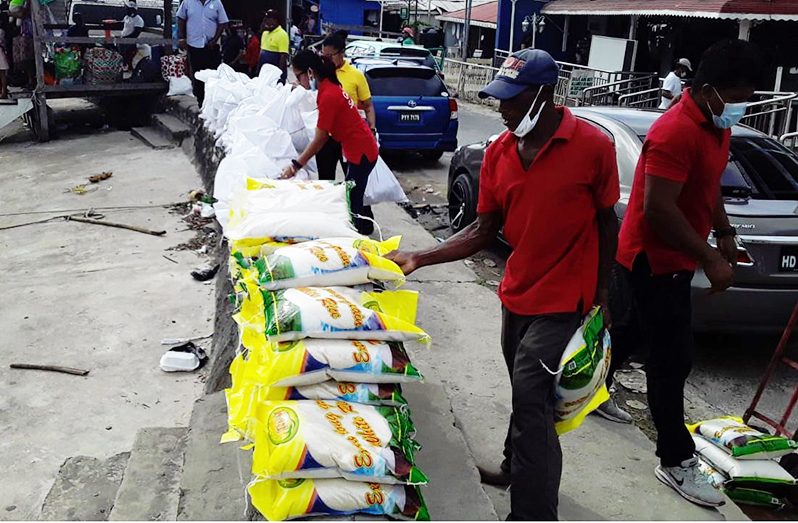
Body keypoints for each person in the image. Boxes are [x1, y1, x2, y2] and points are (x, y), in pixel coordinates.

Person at [386, 49, 620, 520]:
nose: (504, 109)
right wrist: (421, 256)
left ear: (544, 95)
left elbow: (606, 222)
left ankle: (533, 512)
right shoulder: (498, 152)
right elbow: (481, 230)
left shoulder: (593, 146)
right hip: (517, 293)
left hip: (566, 300)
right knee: (524, 390)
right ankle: (517, 467)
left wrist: (603, 297)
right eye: (500, 100)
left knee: (533, 398)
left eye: (514, 100)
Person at [616, 39, 762, 507]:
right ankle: (675, 460)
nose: (740, 106)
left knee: (632, 334)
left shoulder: (715, 127)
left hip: (678, 256)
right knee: (671, 360)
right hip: (653, 259)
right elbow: (657, 210)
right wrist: (710, 259)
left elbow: (706, 185)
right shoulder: (675, 131)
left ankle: (585, 392)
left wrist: (723, 233)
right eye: (736, 97)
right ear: (706, 90)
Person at [282, 50, 379, 236]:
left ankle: (357, 242)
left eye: (298, 76)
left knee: (353, 203)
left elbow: (321, 138)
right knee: (351, 197)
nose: (298, 81)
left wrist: (296, 165)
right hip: (356, 149)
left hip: (362, 152)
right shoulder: (327, 88)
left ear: (310, 72)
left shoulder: (329, 95)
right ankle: (356, 234)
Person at [315, 30, 377, 181]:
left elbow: (368, 106)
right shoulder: (321, 74)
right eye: (323, 56)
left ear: (341, 53)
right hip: (327, 135)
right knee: (325, 179)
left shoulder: (356, 75)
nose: (326, 60)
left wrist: (372, 129)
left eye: (330, 56)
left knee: (354, 182)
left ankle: (356, 204)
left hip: (348, 137)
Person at [176, 0, 229, 106]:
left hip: (211, 46)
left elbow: (223, 22)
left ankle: (212, 103)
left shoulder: (216, 2)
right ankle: (200, 101)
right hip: (194, 45)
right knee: (197, 75)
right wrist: (182, 37)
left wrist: (215, 40)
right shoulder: (187, 2)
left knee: (213, 75)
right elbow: (180, 18)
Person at [258, 9, 288, 82]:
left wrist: (279, 75)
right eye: (266, 19)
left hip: (274, 74)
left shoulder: (282, 34)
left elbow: (283, 56)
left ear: (276, 20)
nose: (266, 21)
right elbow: (261, 52)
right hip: (264, 73)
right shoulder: (265, 33)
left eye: (269, 19)